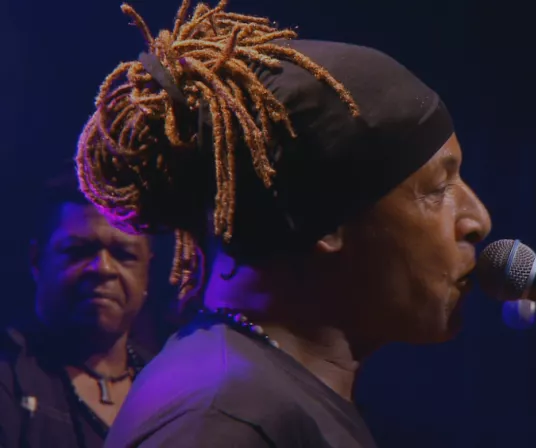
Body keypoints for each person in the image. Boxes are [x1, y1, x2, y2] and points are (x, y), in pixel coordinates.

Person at [75, 1, 492, 446]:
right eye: (437, 189)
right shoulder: (219, 422)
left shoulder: (267, 397)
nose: (478, 220)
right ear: (326, 218)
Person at [0, 170, 154, 448]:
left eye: (124, 255)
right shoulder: (8, 373)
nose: (103, 268)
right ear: (36, 260)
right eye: (78, 250)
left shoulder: (168, 386)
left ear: (147, 271)